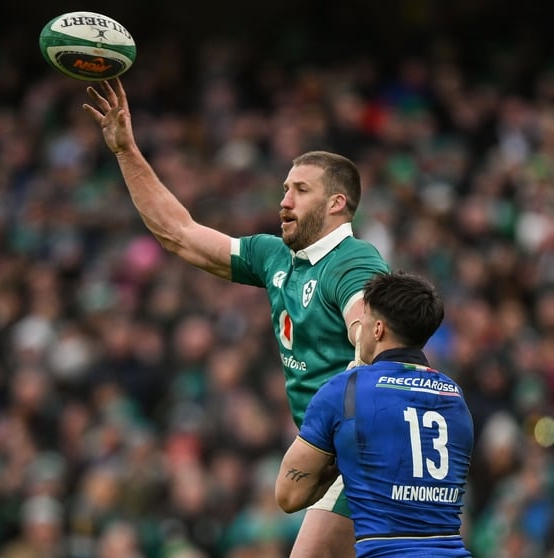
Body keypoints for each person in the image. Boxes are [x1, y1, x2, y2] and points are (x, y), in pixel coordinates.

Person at [83, 78, 390, 558]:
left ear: (337, 204)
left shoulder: (355, 260)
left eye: (300, 190)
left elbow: (367, 320)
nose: (284, 200)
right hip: (338, 454)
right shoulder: (274, 257)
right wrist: (126, 151)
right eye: (285, 188)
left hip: (367, 448)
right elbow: (180, 233)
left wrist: (361, 342)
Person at [275, 271, 474, 557]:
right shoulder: (454, 396)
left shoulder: (347, 389)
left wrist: (340, 460)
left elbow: (288, 495)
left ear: (378, 329)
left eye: (364, 319)